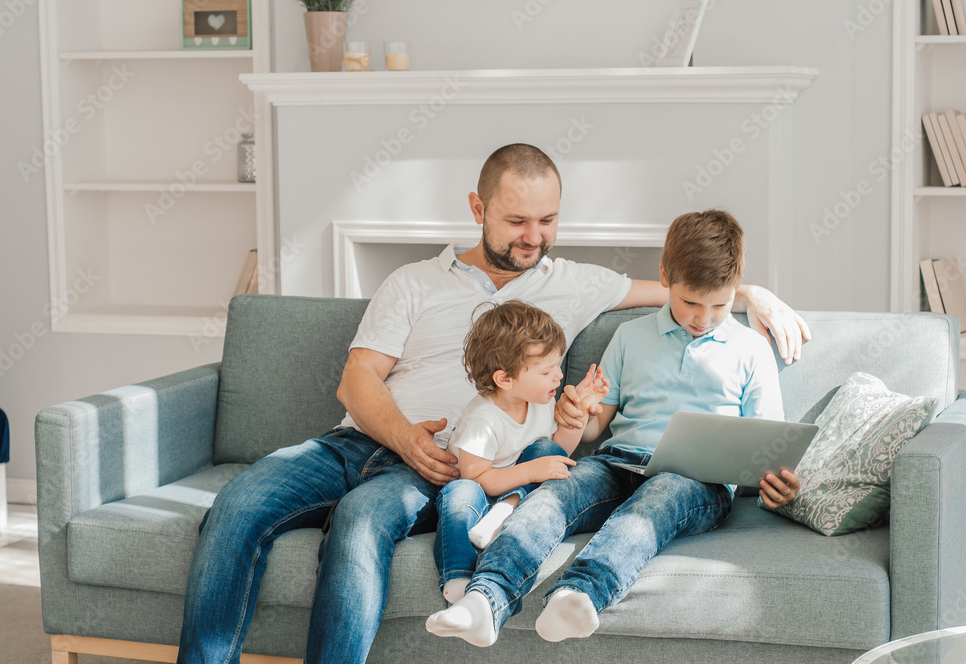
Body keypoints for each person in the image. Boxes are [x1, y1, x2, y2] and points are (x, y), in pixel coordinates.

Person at [175, 145, 811, 664]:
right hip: (361, 441)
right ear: (478, 208)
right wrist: (402, 436)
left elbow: (684, 291)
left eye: (548, 221)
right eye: (516, 221)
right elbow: (357, 380)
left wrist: (756, 293)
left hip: (446, 464)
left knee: (360, 524)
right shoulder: (413, 282)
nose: (534, 237)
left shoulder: (576, 283)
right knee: (237, 504)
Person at [425, 209, 802, 647]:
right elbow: (595, 426)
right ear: (665, 278)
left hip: (696, 481)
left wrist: (777, 484)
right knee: (554, 494)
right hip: (617, 462)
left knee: (655, 504)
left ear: (736, 291)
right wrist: (579, 414)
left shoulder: (751, 349)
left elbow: (768, 446)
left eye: (719, 305)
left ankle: (580, 593)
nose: (703, 317)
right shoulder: (630, 336)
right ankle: (485, 599)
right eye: (690, 303)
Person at [435, 300, 609, 604]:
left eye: (558, 364)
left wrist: (579, 413)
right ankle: (458, 575)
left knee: (544, 448)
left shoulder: (541, 400)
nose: (558, 376)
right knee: (458, 495)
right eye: (546, 371)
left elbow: (558, 451)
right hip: (479, 488)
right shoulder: (484, 419)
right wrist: (530, 472)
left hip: (516, 492)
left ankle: (507, 509)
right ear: (505, 379)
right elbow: (474, 476)